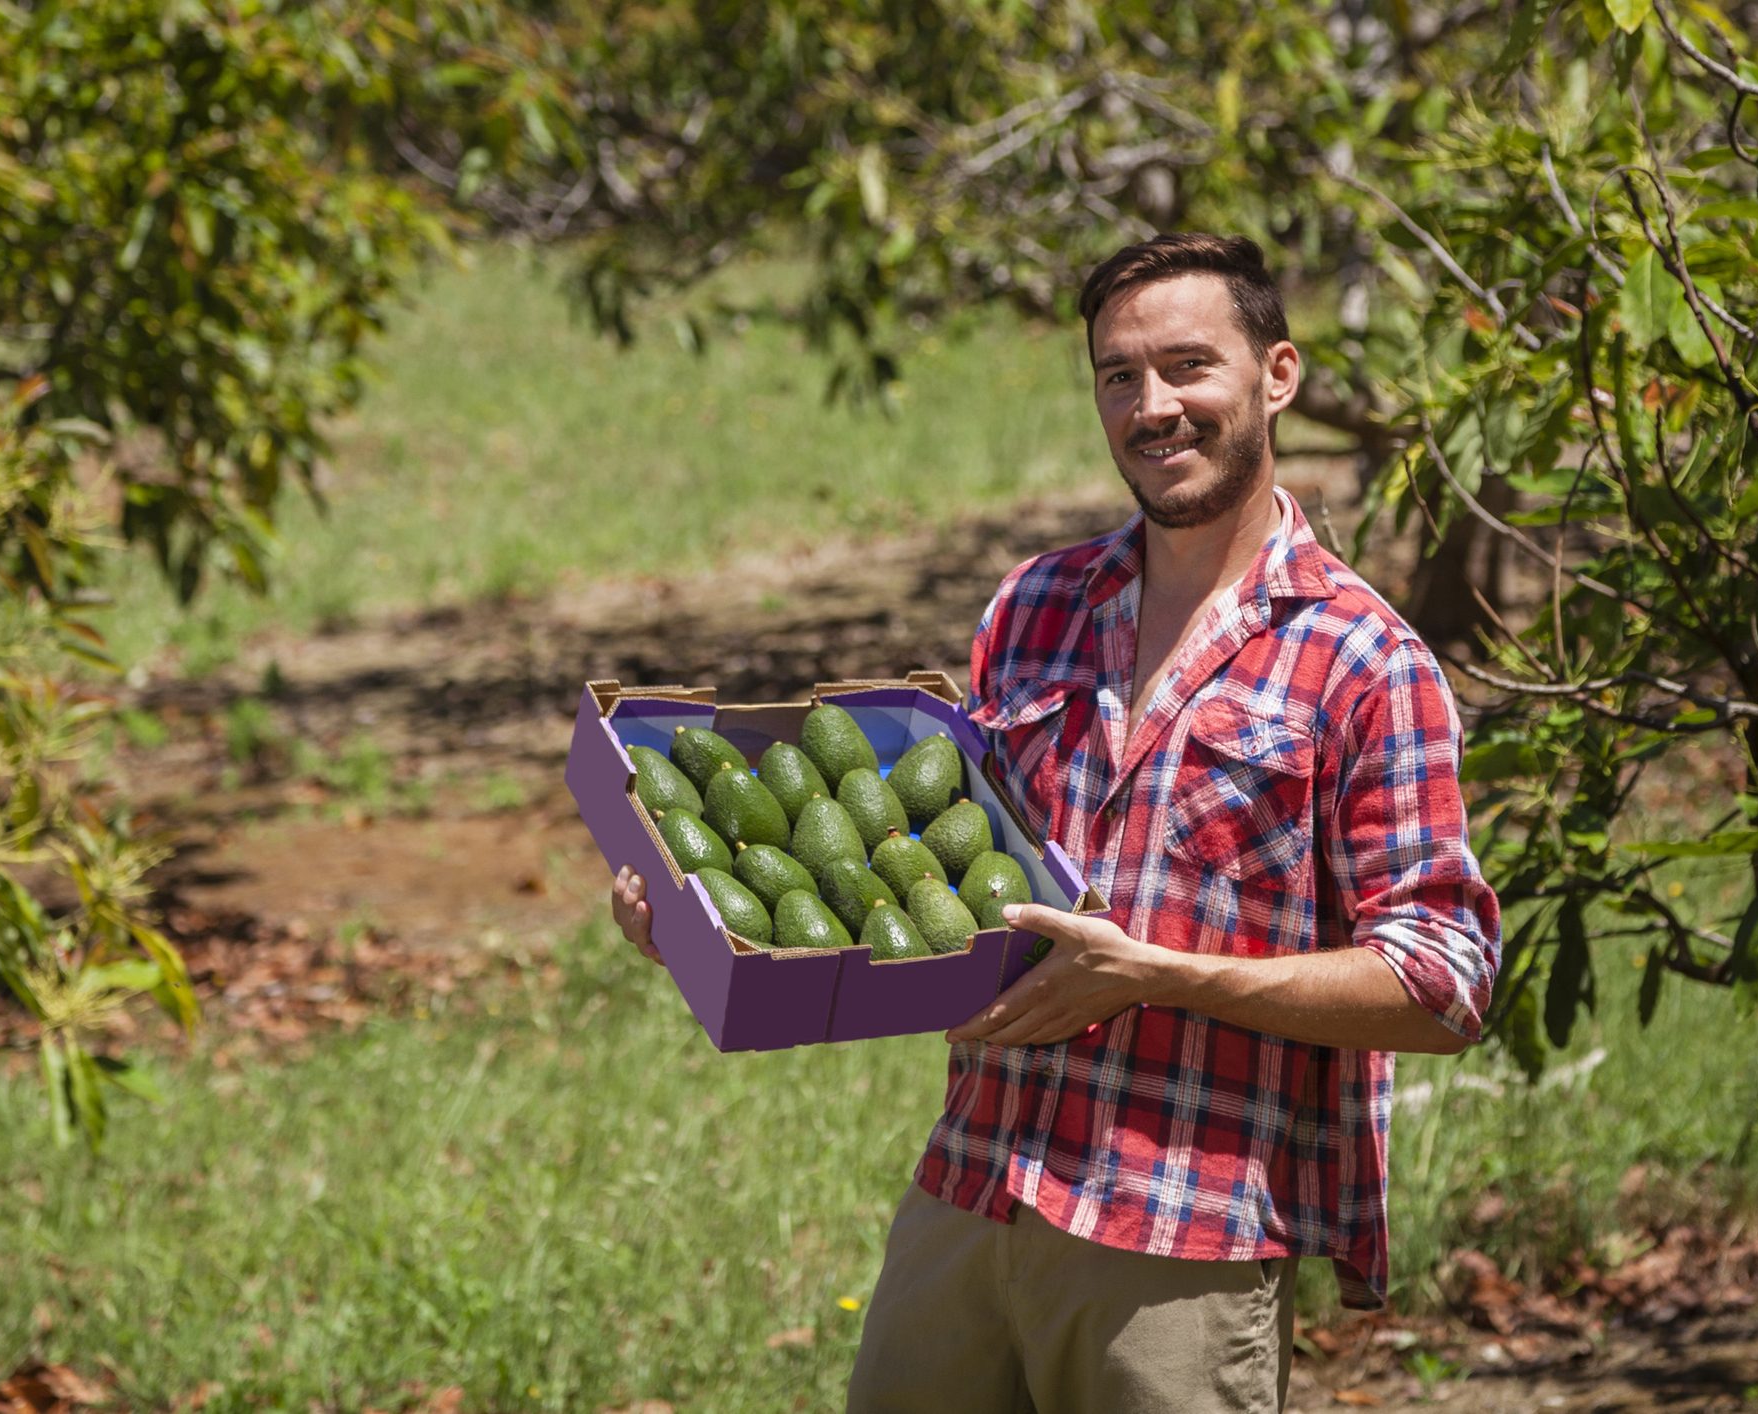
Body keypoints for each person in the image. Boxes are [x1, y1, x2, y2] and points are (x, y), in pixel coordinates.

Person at [609, 232, 1501, 1412]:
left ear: (1277, 375)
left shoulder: (1365, 662)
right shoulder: (1032, 606)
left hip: (1179, 1240)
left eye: (1189, 366)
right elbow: (933, 873)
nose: (1153, 407)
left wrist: (1157, 977)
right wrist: (701, 914)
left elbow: (1443, 985)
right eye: (1118, 376)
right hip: (972, 1190)